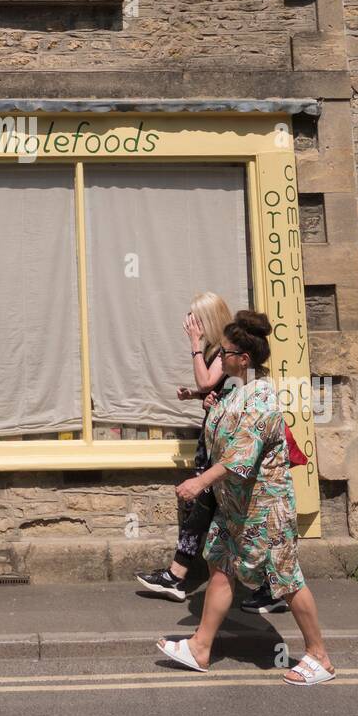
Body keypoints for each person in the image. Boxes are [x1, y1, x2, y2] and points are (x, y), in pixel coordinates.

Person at [156, 311, 336, 685]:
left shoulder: (262, 398)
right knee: (221, 566)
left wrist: (199, 482)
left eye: (225, 352)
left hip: (266, 511)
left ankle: (320, 656)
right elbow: (224, 423)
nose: (218, 358)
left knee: (286, 580)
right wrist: (206, 403)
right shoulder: (239, 390)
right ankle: (200, 647)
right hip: (237, 509)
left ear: (244, 359)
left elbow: (241, 455)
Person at [135, 292, 230, 604]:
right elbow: (211, 389)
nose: (190, 324)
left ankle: (177, 576)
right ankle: (176, 576)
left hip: (222, 444)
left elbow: (208, 383)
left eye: (195, 318)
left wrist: (193, 346)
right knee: (209, 510)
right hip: (213, 438)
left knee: (209, 508)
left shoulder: (223, 350)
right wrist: (193, 395)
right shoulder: (216, 349)